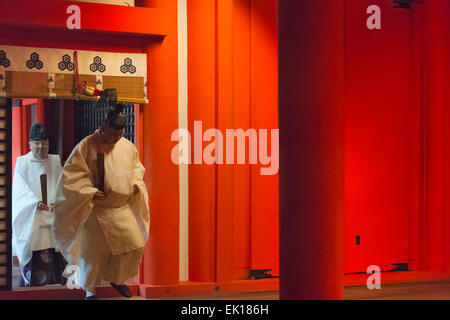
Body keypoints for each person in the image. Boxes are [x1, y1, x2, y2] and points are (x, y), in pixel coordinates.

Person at [53, 104, 149, 300]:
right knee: (93, 256)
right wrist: (88, 190)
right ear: (104, 127)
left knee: (134, 244)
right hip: (96, 210)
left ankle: (117, 278)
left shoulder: (127, 146)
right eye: (114, 133)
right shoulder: (86, 147)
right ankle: (90, 291)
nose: (118, 137)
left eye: (121, 133)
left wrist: (135, 183)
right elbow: (71, 176)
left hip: (120, 208)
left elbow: (137, 168)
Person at [12, 122, 67, 287]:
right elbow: (19, 191)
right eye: (36, 143)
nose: (41, 147)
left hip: (53, 214)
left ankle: (60, 289)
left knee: (57, 252)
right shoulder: (22, 163)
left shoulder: (55, 161)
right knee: (35, 250)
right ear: (29, 144)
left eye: (44, 143)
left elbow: (64, 185)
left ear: (49, 144)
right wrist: (34, 203)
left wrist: (59, 200)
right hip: (33, 217)